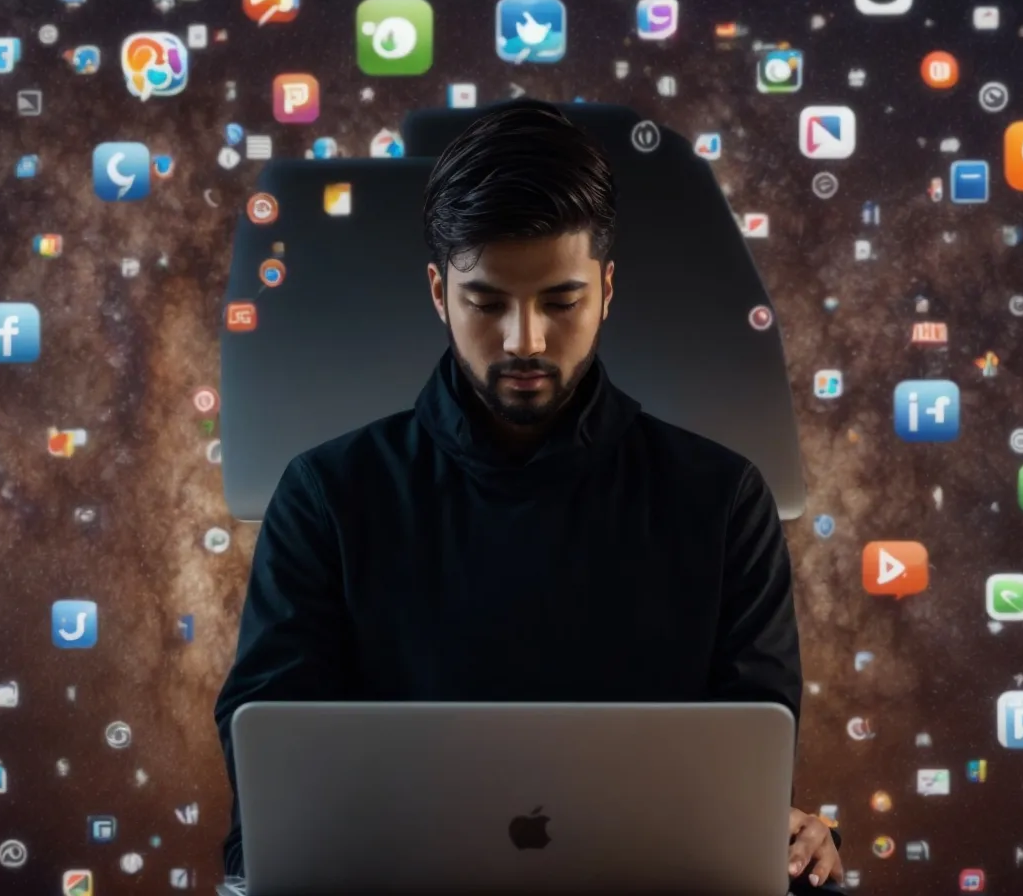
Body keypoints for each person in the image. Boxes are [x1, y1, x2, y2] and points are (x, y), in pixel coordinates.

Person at [213, 101, 843, 890]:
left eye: (560, 301)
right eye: (486, 303)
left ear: (607, 290)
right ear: (439, 292)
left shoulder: (720, 499)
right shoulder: (327, 496)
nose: (524, 341)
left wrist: (782, 834)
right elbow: (271, 771)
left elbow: (751, 762)